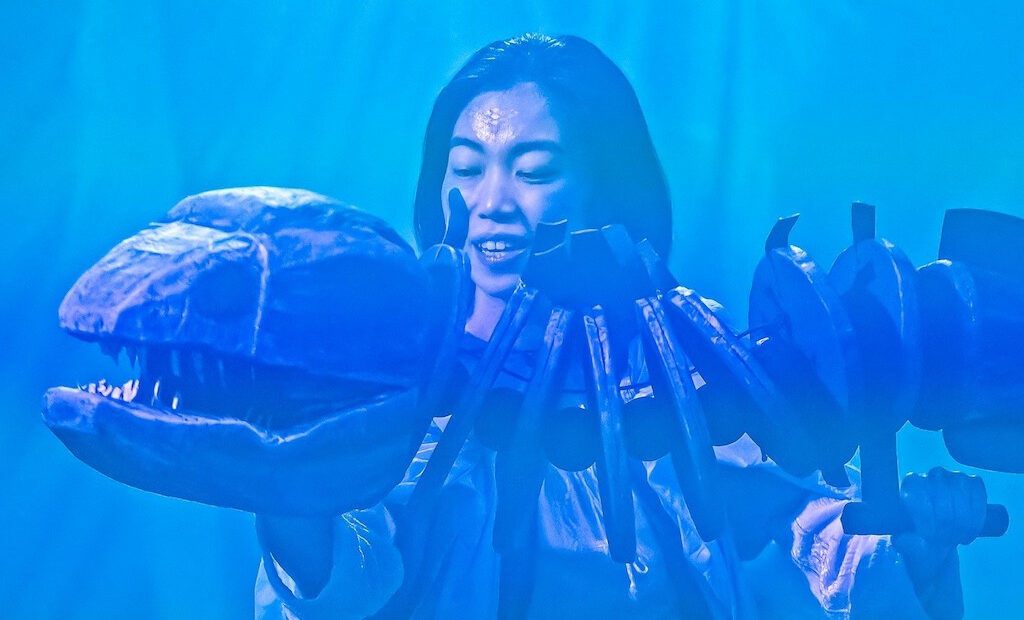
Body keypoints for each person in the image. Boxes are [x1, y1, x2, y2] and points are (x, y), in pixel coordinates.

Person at [254, 34, 987, 620]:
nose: (491, 202)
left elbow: (805, 530)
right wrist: (288, 501)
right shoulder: (390, 378)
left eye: (534, 171)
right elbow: (342, 574)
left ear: (605, 190)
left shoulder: (685, 360)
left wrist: (917, 544)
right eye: (467, 169)